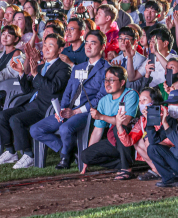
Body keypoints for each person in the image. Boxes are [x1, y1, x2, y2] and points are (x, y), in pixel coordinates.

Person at [29, 30, 110, 169]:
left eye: (93, 43)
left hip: (87, 112)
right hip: (68, 110)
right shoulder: (79, 67)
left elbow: (101, 98)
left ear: (103, 46)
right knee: (36, 129)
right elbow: (67, 92)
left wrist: (76, 112)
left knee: (65, 128)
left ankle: (65, 157)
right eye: (87, 43)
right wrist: (61, 109)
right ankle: (69, 150)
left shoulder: (107, 69)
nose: (88, 46)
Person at [0, 34, 72, 169]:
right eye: (45, 45)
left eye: (51, 45)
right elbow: (27, 90)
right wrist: (21, 73)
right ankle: (10, 151)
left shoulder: (64, 68)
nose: (46, 48)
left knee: (16, 119)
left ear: (60, 50)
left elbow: (53, 88)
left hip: (44, 109)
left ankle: (29, 155)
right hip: (31, 105)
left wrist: (35, 75)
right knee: (3, 115)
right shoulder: (40, 66)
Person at [79, 66, 139, 179]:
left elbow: (125, 122)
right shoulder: (103, 101)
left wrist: (101, 116)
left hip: (132, 140)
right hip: (115, 141)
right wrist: (86, 161)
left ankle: (127, 169)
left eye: (111, 80)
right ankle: (123, 163)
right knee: (85, 155)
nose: (107, 83)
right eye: (105, 80)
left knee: (119, 128)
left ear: (122, 82)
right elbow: (97, 130)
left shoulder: (131, 94)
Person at [117, 87, 166, 181]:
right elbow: (129, 142)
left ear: (154, 101)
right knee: (138, 142)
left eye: (145, 99)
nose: (141, 103)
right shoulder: (142, 120)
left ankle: (168, 170)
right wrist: (119, 125)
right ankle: (157, 170)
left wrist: (151, 121)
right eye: (140, 100)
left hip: (171, 150)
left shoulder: (164, 113)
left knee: (149, 141)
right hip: (156, 149)